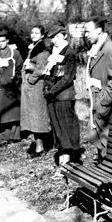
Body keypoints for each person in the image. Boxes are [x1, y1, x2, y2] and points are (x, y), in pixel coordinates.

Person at [83, 16, 112, 162]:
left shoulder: (110, 50)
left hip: (109, 106)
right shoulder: (97, 48)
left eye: (88, 31)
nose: (86, 35)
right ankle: (105, 174)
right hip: (100, 104)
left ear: (99, 30)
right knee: (102, 146)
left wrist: (102, 104)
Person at [43, 24, 80, 178]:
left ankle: (67, 165)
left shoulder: (69, 53)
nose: (55, 40)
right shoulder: (54, 52)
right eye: (53, 38)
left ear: (64, 36)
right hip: (53, 96)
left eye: (58, 36)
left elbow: (67, 77)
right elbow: (50, 74)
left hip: (63, 96)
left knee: (65, 128)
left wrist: (52, 91)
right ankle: (64, 163)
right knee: (58, 129)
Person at [20, 25, 51, 157]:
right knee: (33, 118)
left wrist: (30, 81)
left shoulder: (42, 50)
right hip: (30, 88)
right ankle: (38, 146)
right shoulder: (33, 48)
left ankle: (40, 148)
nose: (33, 35)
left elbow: (40, 69)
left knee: (37, 119)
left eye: (36, 33)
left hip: (36, 87)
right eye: (32, 32)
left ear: (42, 35)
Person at [0, 29, 23, 142]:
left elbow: (20, 69)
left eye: (3, 41)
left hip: (13, 87)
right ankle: (7, 134)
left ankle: (16, 135)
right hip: (1, 88)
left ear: (7, 41)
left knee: (14, 112)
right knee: (4, 112)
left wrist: (15, 82)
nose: (1, 43)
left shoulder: (15, 53)